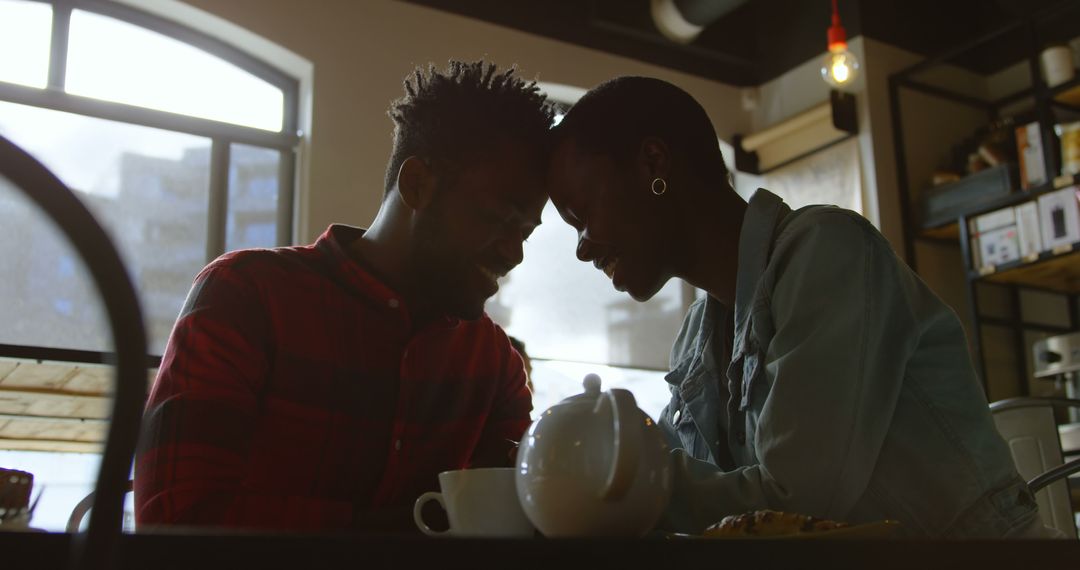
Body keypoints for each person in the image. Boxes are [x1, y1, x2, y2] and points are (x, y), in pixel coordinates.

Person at [546, 76, 1046, 537]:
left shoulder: (828, 252)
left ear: (654, 164)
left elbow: (797, 508)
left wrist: (616, 476)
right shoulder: (696, 340)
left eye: (581, 213)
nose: (582, 249)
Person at [135, 61, 554, 531]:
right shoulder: (246, 297)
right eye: (498, 218)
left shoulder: (492, 364)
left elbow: (514, 531)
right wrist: (407, 532)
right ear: (417, 185)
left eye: (525, 232)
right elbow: (176, 522)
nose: (514, 253)